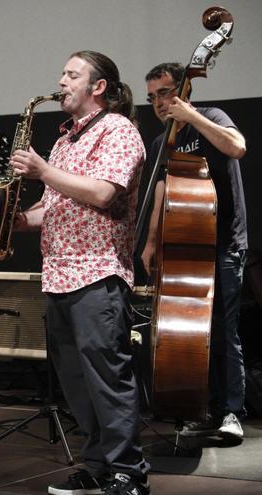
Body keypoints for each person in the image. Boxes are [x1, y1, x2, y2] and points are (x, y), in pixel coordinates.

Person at [10, 51, 150, 494]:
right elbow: (55, 207)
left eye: (72, 75)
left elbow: (104, 193)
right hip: (57, 276)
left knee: (108, 379)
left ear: (99, 86)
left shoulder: (119, 130)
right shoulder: (64, 141)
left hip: (98, 274)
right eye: (62, 74)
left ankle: (128, 472)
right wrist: (16, 220)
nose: (61, 81)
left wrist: (43, 171)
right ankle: (97, 465)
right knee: (76, 383)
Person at [140, 62, 248, 439]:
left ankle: (231, 411)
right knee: (192, 335)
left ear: (184, 91)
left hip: (224, 244)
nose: (158, 102)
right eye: (152, 97)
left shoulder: (212, 116)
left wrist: (192, 118)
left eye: (165, 92)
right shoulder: (161, 143)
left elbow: (237, 146)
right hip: (185, 248)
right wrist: (152, 241)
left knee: (222, 331)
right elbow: (160, 194)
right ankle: (200, 408)